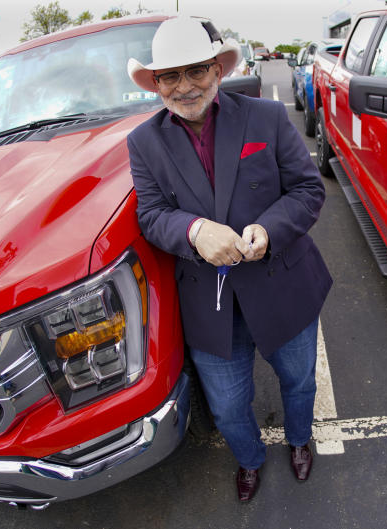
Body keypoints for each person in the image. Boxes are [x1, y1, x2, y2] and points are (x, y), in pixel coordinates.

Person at [126, 17, 332, 503]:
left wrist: (268, 228)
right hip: (210, 305)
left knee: (299, 382)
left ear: (217, 69)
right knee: (227, 406)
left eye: (195, 70)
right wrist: (194, 230)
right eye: (170, 76)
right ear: (156, 85)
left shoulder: (265, 117)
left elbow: (307, 189)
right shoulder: (143, 142)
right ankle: (250, 460)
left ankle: (300, 439)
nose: (184, 86)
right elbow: (151, 214)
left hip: (282, 283)